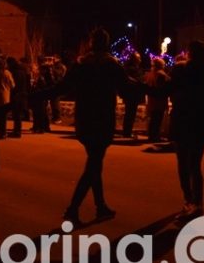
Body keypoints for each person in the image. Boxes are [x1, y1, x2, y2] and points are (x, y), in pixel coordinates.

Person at [45, 29, 130, 225]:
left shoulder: (81, 64)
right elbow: (127, 88)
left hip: (84, 119)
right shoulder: (111, 65)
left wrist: (34, 96)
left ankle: (101, 206)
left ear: (92, 43)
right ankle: (72, 210)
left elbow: (61, 88)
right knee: (94, 164)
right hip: (102, 120)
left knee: (95, 162)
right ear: (106, 43)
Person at [169, 41, 204, 221]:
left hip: (182, 121)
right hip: (201, 123)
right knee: (195, 165)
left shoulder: (180, 70)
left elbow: (169, 90)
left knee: (183, 163)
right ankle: (197, 203)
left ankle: (188, 200)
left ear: (189, 53)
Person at [145, 58, 170, 142]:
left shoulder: (150, 74)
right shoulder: (161, 75)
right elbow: (164, 88)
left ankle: (152, 135)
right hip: (159, 99)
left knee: (153, 118)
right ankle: (155, 136)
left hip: (152, 99)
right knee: (158, 118)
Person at [121, 52, 144, 138]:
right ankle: (127, 132)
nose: (140, 60)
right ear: (134, 59)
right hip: (131, 94)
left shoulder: (135, 68)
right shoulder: (131, 69)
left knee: (131, 113)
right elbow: (132, 79)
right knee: (130, 113)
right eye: (138, 58)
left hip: (133, 94)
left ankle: (127, 131)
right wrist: (139, 81)